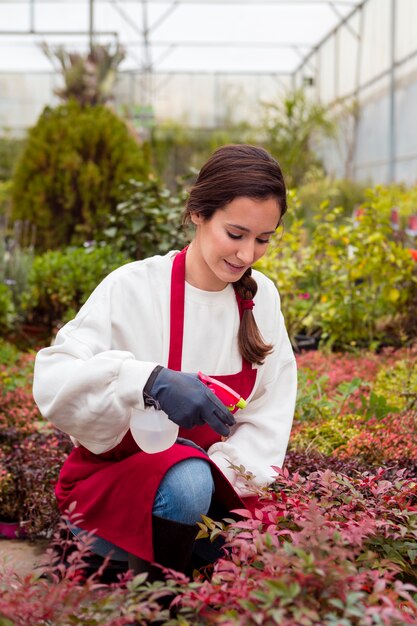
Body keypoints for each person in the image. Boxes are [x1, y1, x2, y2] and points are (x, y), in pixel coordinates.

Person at [33, 144, 297, 578]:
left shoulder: (261, 298)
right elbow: (54, 377)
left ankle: (166, 569)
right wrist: (145, 380)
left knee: (267, 539)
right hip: (120, 486)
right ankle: (158, 601)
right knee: (188, 480)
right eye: (235, 234)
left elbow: (270, 409)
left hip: (220, 487)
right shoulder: (134, 287)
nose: (247, 255)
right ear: (197, 213)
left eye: (263, 239)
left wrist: (223, 483)